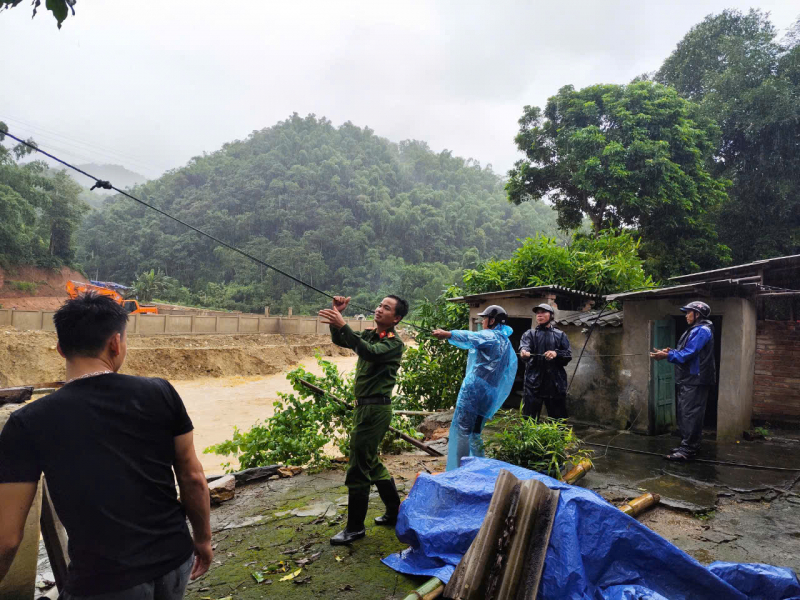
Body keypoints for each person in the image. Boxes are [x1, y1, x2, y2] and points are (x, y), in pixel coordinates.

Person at [0, 293, 212, 599]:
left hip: (104, 581)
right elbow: (193, 478)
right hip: (174, 562)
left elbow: (7, 539)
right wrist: (203, 540)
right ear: (116, 343)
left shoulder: (27, 422)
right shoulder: (160, 392)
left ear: (61, 349)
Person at [319, 294, 407, 545]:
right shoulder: (372, 334)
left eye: (386, 308)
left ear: (396, 318)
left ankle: (355, 528)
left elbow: (367, 351)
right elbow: (344, 340)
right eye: (379, 305)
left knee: (358, 467)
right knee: (370, 462)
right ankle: (394, 511)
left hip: (374, 410)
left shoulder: (393, 344)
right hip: (365, 409)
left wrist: (342, 323)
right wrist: (338, 316)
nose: (379, 309)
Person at [432, 305, 518, 471]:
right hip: (490, 392)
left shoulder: (490, 335)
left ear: (492, 321)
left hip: (474, 389)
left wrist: (448, 334)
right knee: (475, 433)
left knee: (462, 431)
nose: (482, 321)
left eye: (485, 318)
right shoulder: (506, 343)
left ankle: (459, 471)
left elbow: (471, 337)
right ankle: (479, 467)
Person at [650, 301, 715, 461]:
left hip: (696, 379)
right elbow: (686, 352)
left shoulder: (702, 330)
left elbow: (689, 353)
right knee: (686, 413)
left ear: (697, 314)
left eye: (688, 312)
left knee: (691, 414)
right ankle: (688, 445)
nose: (686, 315)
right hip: (690, 379)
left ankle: (688, 450)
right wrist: (670, 352)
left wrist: (667, 356)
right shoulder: (696, 330)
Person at [519, 303, 572, 420]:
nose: (539, 315)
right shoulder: (530, 334)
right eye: (538, 313)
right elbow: (524, 347)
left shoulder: (560, 335)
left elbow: (568, 355)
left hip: (555, 382)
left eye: (543, 312)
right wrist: (524, 352)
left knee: (558, 418)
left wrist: (556, 353)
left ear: (551, 315)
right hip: (533, 381)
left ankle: (559, 437)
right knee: (529, 417)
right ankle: (528, 438)